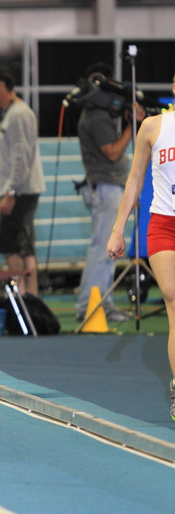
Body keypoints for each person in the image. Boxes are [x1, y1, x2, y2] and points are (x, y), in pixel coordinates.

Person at [107, 82, 175, 419]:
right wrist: (118, 230)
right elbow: (134, 179)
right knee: (173, 296)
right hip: (164, 225)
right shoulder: (153, 126)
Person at [76, 61, 144, 323]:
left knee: (108, 251)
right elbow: (113, 153)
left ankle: (102, 304)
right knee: (102, 249)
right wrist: (132, 127)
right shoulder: (96, 116)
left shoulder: (102, 113)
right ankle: (89, 306)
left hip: (108, 187)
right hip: (105, 187)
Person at [0, 65, 45, 296]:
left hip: (20, 192)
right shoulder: (12, 112)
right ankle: (27, 296)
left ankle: (25, 298)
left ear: (2, 86)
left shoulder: (19, 113)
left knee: (16, 244)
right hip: (19, 190)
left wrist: (11, 193)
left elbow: (22, 155)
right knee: (19, 244)